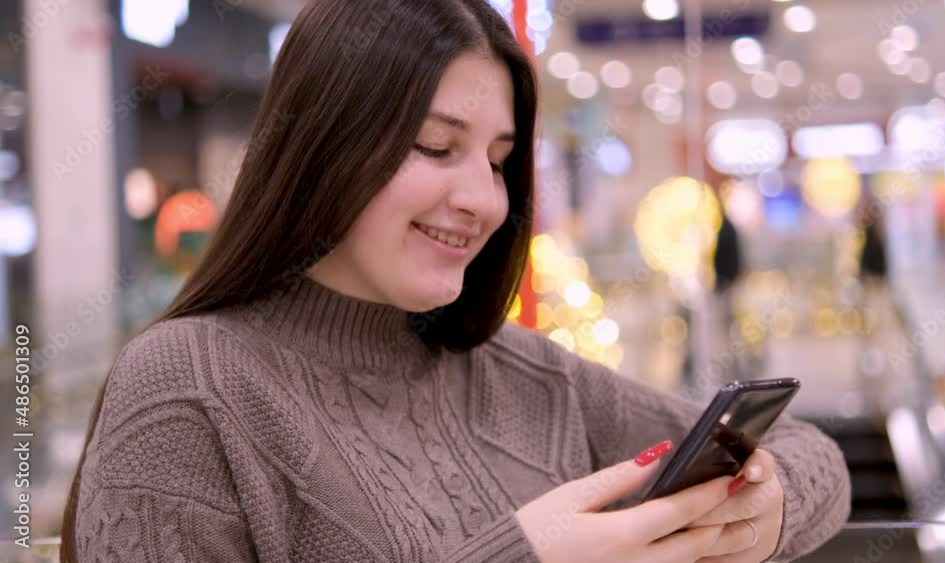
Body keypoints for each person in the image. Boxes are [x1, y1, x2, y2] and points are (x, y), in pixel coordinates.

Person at [61, 1, 850, 561]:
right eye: (437, 147)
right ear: (326, 146)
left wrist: (756, 516)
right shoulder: (189, 386)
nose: (484, 198)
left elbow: (817, 458)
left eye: (499, 160)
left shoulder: (524, 374)